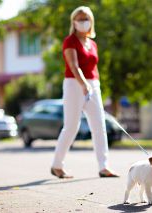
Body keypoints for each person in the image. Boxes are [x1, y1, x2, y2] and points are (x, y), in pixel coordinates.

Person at [51, 6, 119, 178]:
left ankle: (104, 166)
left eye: (86, 19)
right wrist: (83, 84)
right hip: (74, 84)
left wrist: (93, 85)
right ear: (74, 22)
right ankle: (57, 165)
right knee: (71, 126)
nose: (83, 22)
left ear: (91, 22)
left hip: (93, 84)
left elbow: (93, 67)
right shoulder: (70, 41)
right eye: (80, 19)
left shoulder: (93, 43)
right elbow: (74, 66)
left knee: (99, 126)